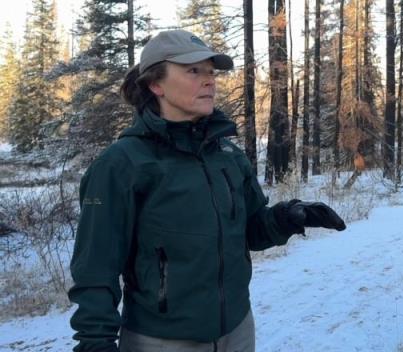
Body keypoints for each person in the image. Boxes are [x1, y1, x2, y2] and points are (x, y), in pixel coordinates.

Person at [68, 29, 346, 352]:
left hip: (238, 332)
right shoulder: (122, 164)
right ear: (155, 84)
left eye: (211, 72)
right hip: (161, 342)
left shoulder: (227, 156)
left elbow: (251, 231)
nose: (209, 80)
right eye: (193, 70)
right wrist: (95, 344)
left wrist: (288, 217)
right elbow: (95, 270)